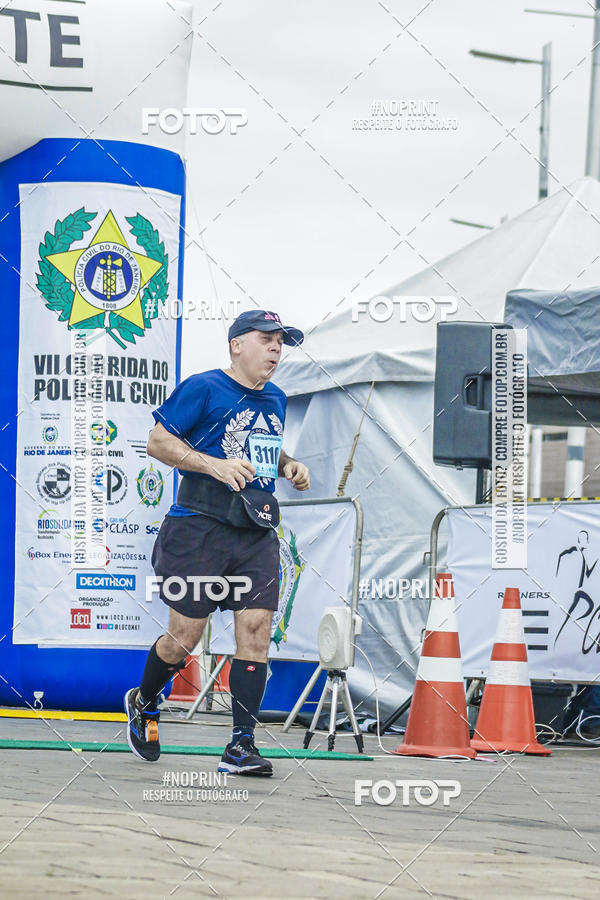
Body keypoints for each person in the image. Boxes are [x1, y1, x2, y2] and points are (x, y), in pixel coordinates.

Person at [124, 310, 310, 775]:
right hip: (198, 529)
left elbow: (258, 442)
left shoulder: (278, 398)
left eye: (280, 342)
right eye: (266, 339)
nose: (275, 349)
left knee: (257, 630)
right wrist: (213, 465)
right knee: (185, 636)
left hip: (254, 531)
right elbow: (158, 442)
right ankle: (145, 701)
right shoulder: (204, 387)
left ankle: (241, 745)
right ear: (236, 345)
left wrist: (288, 463)